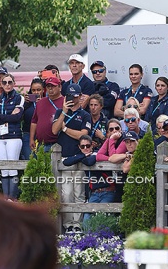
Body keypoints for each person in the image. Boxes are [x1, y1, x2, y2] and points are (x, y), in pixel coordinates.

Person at [52, 83, 92, 223]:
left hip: (80, 158)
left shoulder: (85, 115)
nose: (73, 99)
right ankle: (69, 224)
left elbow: (83, 136)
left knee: (79, 193)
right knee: (66, 193)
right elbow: (54, 130)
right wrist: (63, 111)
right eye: (70, 96)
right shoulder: (59, 112)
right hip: (65, 157)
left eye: (75, 96)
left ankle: (78, 224)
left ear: (80, 97)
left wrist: (65, 130)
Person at [0, 73, 24, 200]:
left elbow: (17, 117)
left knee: (12, 167)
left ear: (14, 83)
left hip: (14, 136)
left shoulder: (18, 98)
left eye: (9, 82)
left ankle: (13, 197)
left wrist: (0, 116)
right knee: (3, 169)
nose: (7, 85)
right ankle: (6, 198)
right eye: (4, 82)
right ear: (1, 84)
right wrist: (5, 117)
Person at [62, 135, 97, 225]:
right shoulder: (80, 155)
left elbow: (89, 162)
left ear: (92, 145)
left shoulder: (95, 154)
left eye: (88, 146)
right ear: (79, 147)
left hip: (90, 182)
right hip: (73, 173)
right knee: (67, 195)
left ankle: (77, 223)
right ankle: (68, 224)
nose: (85, 148)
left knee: (79, 196)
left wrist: (80, 157)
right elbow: (66, 162)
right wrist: (83, 156)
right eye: (82, 146)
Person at [92, 119, 127, 203]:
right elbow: (98, 156)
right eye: (111, 129)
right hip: (114, 178)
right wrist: (109, 159)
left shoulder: (124, 140)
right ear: (107, 133)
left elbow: (113, 156)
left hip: (125, 177)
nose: (114, 131)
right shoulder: (108, 140)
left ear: (121, 130)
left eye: (117, 128)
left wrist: (111, 140)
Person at [29, 76, 64, 153]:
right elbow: (34, 121)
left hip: (58, 144)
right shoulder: (40, 102)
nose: (50, 89)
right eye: (48, 86)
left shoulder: (65, 102)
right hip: (41, 144)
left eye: (53, 86)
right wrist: (31, 138)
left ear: (60, 87)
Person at [21, 77, 44, 160]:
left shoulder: (47, 101)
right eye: (33, 90)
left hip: (42, 135)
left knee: (42, 160)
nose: (36, 92)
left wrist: (42, 103)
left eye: (39, 90)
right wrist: (25, 104)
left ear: (43, 90)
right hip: (28, 134)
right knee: (29, 160)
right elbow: (21, 118)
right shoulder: (27, 103)